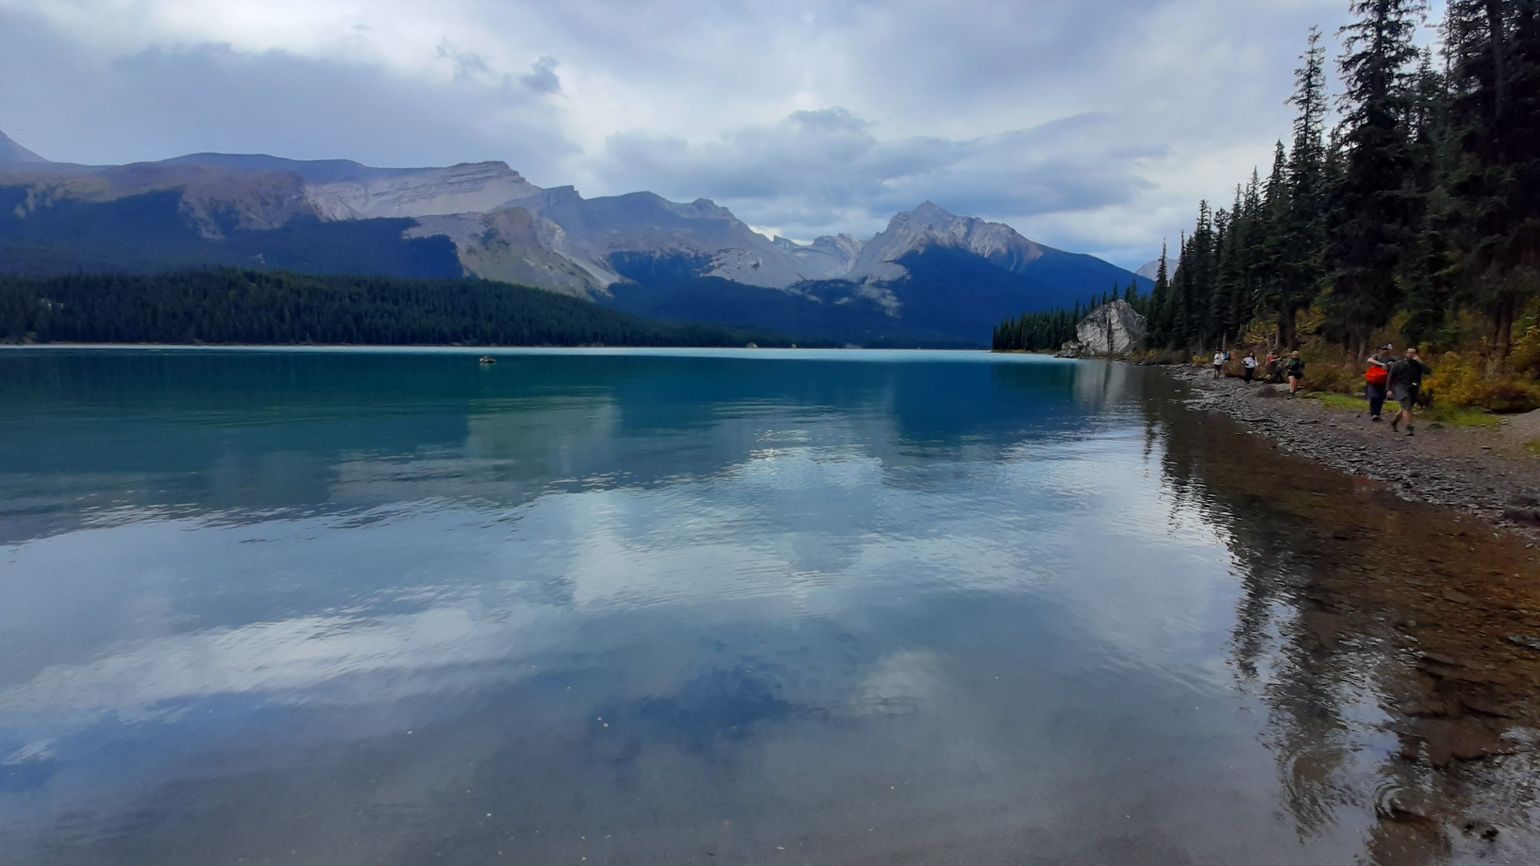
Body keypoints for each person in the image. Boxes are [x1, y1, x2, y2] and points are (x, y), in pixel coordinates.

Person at [1388, 347, 1432, 435]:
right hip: (1400, 386)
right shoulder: (1399, 364)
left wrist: (1420, 361)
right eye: (1409, 353)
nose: (1410, 355)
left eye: (1413, 353)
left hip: (1413, 387)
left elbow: (1428, 372)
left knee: (1407, 407)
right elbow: (1390, 377)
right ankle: (1409, 427)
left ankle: (1394, 421)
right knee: (1407, 406)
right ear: (1406, 353)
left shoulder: (1418, 365)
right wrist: (1389, 389)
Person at [1364, 343, 1394, 422]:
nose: (1382, 351)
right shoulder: (1376, 356)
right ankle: (1373, 413)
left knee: (1381, 398)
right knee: (1373, 396)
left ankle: (1376, 414)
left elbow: (1397, 366)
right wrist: (1381, 364)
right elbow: (1369, 360)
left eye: (1384, 349)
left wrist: (1391, 365)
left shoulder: (1392, 359)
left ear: (1388, 350)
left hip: (1384, 381)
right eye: (1381, 349)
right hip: (1373, 380)